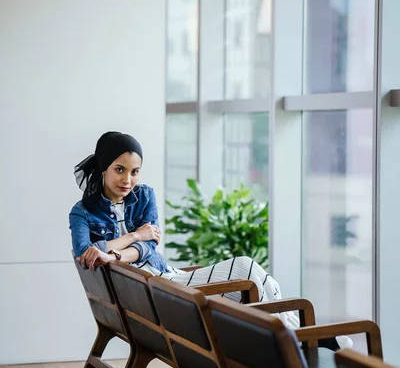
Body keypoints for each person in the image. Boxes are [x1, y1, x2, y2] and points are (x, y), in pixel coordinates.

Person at [70, 131, 351, 349]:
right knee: (247, 269)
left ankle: (295, 336)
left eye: (134, 171)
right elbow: (86, 252)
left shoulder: (144, 196)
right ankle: (302, 337)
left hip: (164, 279)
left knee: (250, 285)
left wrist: (118, 251)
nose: (128, 179)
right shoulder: (82, 212)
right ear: (104, 168)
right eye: (120, 169)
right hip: (155, 293)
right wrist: (136, 236)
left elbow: (147, 247)